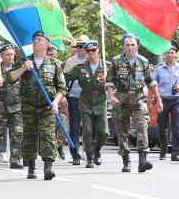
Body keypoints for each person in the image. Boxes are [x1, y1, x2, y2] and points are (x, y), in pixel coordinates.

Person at [8, 31, 67, 180]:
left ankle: (48, 168)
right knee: (30, 136)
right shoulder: (25, 61)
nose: (36, 42)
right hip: (28, 106)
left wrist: (55, 101)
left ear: (46, 45)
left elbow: (61, 88)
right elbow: (10, 78)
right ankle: (31, 168)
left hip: (47, 107)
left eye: (39, 40)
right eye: (34, 39)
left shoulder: (54, 64)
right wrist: (23, 69)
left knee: (47, 136)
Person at [107, 33, 158, 173]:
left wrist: (158, 100)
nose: (130, 48)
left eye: (133, 45)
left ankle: (143, 159)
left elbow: (151, 82)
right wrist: (111, 96)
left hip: (138, 98)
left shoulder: (144, 62)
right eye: (127, 45)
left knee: (142, 126)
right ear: (124, 47)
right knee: (122, 131)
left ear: (137, 46)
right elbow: (109, 81)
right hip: (121, 100)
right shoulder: (116, 61)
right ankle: (126, 160)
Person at [65, 40, 108, 168]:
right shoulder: (81, 68)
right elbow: (65, 77)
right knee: (87, 131)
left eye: (93, 50)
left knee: (104, 132)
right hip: (86, 101)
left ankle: (97, 150)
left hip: (101, 101)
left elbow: (116, 82)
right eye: (88, 51)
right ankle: (89, 156)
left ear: (98, 50)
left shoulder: (106, 66)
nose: (91, 53)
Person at [153, 45, 179, 162]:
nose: (170, 55)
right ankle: (163, 151)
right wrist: (155, 99)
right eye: (168, 53)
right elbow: (153, 84)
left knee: (177, 128)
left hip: (176, 100)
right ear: (164, 55)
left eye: (172, 53)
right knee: (162, 128)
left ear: (175, 54)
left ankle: (176, 153)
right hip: (163, 100)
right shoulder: (158, 69)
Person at [62, 35, 90, 165]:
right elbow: (62, 82)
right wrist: (63, 97)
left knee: (90, 128)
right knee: (74, 128)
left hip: (90, 99)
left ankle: (89, 153)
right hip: (74, 98)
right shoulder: (70, 61)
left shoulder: (94, 60)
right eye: (77, 46)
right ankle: (75, 155)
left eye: (82, 46)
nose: (78, 48)